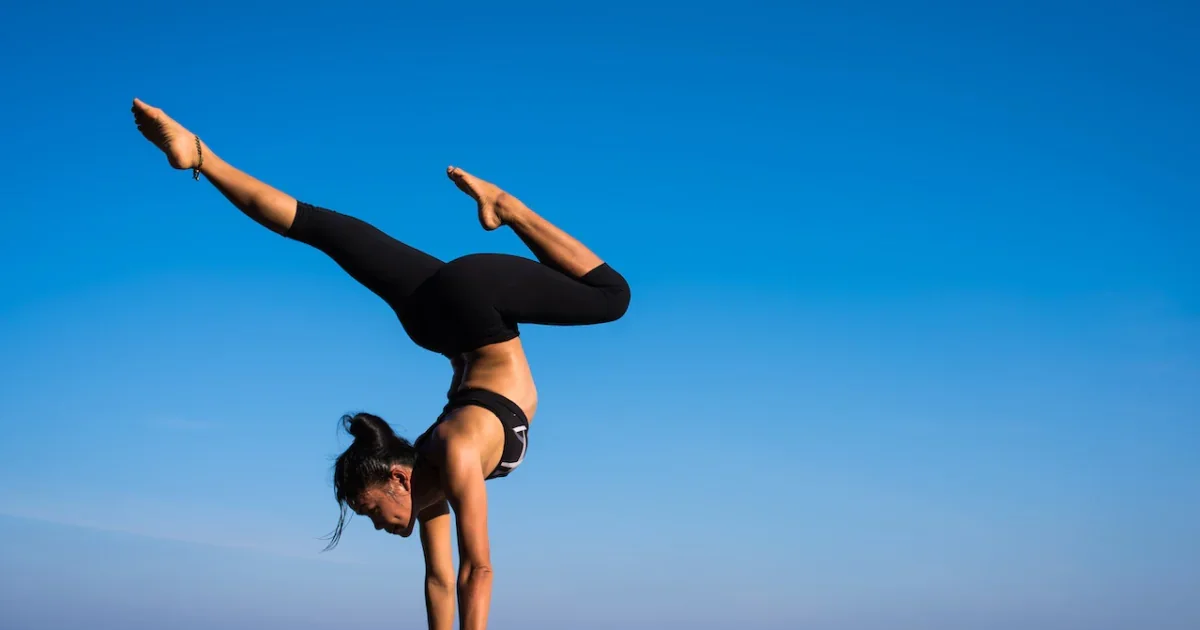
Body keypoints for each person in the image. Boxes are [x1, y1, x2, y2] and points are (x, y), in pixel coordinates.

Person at [130, 98, 631, 630]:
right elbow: (441, 581)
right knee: (319, 229)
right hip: (436, 321)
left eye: (371, 511)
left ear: (399, 478)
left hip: (477, 308)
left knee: (612, 296)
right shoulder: (430, 485)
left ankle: (507, 207)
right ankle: (200, 156)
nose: (378, 526)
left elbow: (477, 570)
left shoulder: (456, 454)